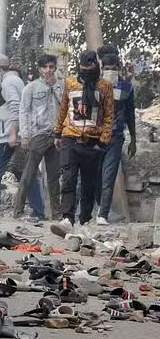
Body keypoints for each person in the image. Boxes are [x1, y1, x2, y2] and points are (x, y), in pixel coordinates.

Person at [54, 50, 114, 228]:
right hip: (70, 138)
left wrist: (103, 141)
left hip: (93, 140)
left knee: (89, 183)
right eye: (84, 67)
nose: (87, 71)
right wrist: (57, 133)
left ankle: (85, 219)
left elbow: (109, 116)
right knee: (68, 179)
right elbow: (63, 109)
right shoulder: (70, 83)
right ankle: (67, 218)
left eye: (90, 67)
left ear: (96, 66)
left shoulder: (105, 86)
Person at [13, 54, 63, 220]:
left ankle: (56, 213)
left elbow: (65, 108)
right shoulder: (31, 88)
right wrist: (25, 135)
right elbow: (24, 111)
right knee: (29, 173)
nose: (48, 70)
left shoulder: (60, 87)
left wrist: (54, 86)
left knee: (54, 176)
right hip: (38, 134)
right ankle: (18, 210)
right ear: (40, 69)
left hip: (55, 135)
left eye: (51, 67)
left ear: (55, 68)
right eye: (45, 67)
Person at [95, 52, 136, 225]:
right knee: (94, 176)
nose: (110, 71)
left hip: (116, 136)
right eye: (106, 69)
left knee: (109, 175)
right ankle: (92, 210)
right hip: (95, 137)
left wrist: (133, 139)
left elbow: (130, 114)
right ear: (101, 69)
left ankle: (103, 214)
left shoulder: (126, 87)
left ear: (118, 69)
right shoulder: (95, 85)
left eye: (113, 69)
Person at [0, 54, 24, 216]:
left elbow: (16, 107)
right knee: (14, 170)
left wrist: (12, 133)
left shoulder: (7, 82)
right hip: (9, 132)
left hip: (6, 135)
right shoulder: (16, 80)